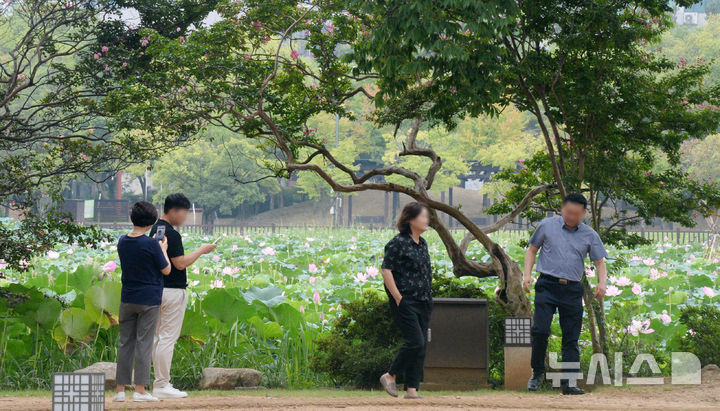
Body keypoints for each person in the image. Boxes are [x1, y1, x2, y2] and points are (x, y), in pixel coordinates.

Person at [523, 193, 608, 395]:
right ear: (562, 209)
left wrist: (602, 282)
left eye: (576, 214)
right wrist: (526, 274)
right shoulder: (547, 225)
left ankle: (569, 384)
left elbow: (600, 262)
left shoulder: (589, 234)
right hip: (546, 285)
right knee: (540, 330)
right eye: (568, 212)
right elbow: (532, 250)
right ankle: (537, 371)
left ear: (584, 214)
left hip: (571, 289)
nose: (571, 217)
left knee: (571, 337)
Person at [149, 193, 217, 398]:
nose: (186, 217)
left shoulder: (156, 230)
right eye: (185, 212)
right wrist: (202, 251)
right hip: (172, 292)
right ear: (175, 210)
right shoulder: (173, 234)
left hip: (156, 290)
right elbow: (179, 263)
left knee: (158, 339)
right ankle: (162, 385)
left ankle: (159, 383)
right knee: (167, 338)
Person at [113, 201, 171, 403]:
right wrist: (162, 248)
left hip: (127, 298)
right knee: (144, 344)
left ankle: (120, 391)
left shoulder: (122, 241)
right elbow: (166, 270)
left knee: (125, 343)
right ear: (150, 223)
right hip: (149, 299)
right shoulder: (152, 244)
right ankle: (140, 390)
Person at [379, 202, 433, 400]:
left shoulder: (423, 243)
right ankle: (390, 375)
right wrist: (398, 297)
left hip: (424, 300)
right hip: (406, 300)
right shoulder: (398, 243)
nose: (427, 220)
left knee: (421, 345)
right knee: (415, 341)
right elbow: (386, 270)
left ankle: (412, 389)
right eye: (424, 216)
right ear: (411, 219)